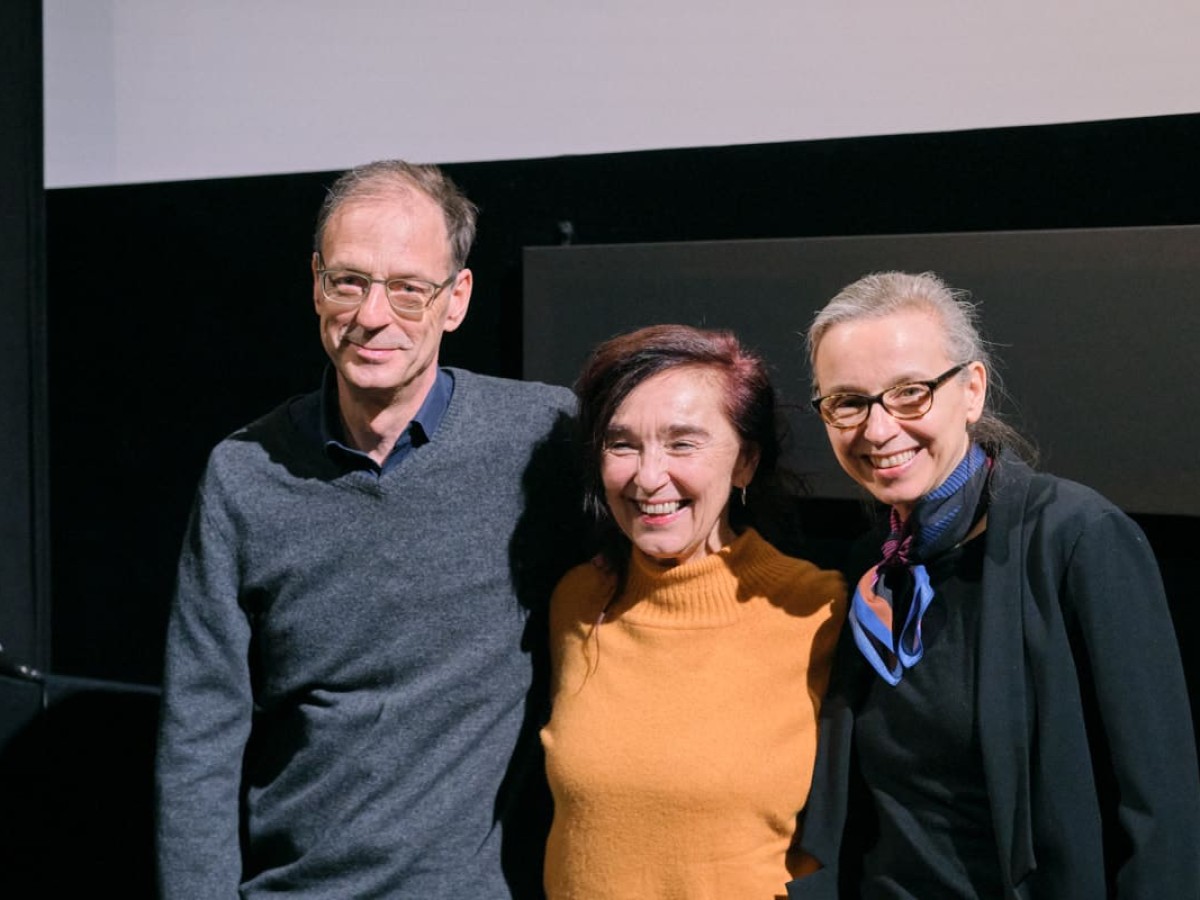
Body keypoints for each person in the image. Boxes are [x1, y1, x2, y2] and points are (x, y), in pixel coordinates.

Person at [155, 160, 584, 898]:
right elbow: (199, 735)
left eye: (408, 288)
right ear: (315, 283)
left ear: (457, 300)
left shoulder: (544, 440)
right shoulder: (245, 473)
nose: (372, 314)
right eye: (348, 281)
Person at [788, 271, 1200, 898]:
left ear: (972, 390)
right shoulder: (869, 564)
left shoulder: (1077, 540)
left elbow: (1161, 816)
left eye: (910, 393)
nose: (877, 430)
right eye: (848, 402)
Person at [540, 324, 847, 898]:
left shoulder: (817, 609)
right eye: (622, 443)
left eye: (683, 443)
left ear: (745, 463)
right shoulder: (577, 602)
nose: (649, 476)